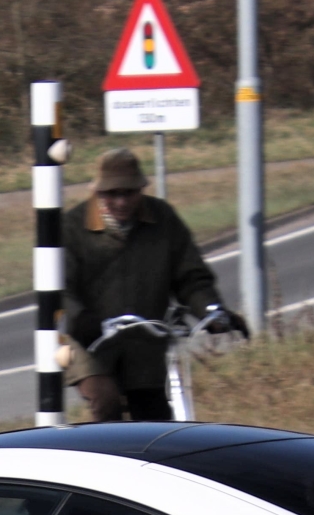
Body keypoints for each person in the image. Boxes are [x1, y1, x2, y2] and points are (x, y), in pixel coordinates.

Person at [61, 148, 244, 422]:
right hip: (89, 342)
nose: (121, 201)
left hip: (144, 340)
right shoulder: (73, 227)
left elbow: (190, 275)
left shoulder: (163, 219)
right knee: (105, 401)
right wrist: (81, 320)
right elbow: (60, 288)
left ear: (141, 190)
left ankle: (150, 463)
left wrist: (211, 311)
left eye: (129, 193)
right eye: (112, 194)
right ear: (98, 193)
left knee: (155, 420)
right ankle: (106, 460)